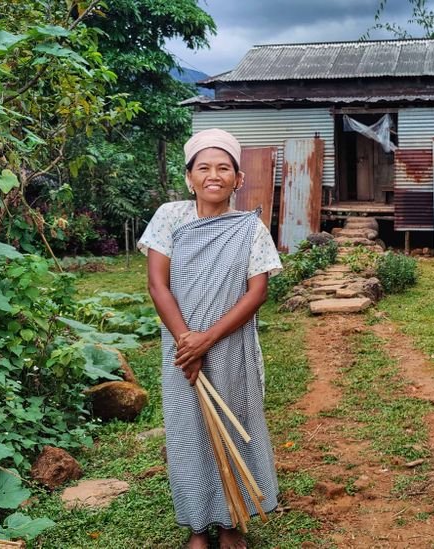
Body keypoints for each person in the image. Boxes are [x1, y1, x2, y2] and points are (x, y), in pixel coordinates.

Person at [138, 128, 282, 549]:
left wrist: (207, 340)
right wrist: (187, 340)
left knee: (235, 427)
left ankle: (231, 523)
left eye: (224, 168)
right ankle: (199, 527)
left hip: (229, 344)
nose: (213, 175)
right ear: (189, 177)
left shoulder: (250, 229)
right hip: (180, 346)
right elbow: (157, 285)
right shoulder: (169, 217)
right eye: (204, 167)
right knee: (188, 431)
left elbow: (257, 292)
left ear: (238, 179)